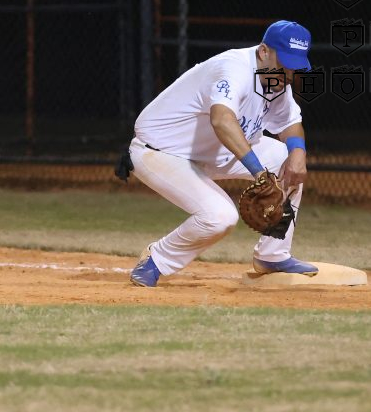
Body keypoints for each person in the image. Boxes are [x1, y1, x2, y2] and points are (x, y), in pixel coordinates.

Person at [119, 20, 318, 287]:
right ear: (263, 51)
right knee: (220, 217)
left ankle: (273, 255)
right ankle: (156, 260)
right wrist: (259, 173)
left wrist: (298, 153)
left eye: (295, 66)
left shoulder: (275, 78)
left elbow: (289, 122)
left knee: (289, 161)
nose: (289, 73)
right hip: (162, 152)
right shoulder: (234, 69)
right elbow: (222, 120)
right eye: (285, 63)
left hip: (212, 152)